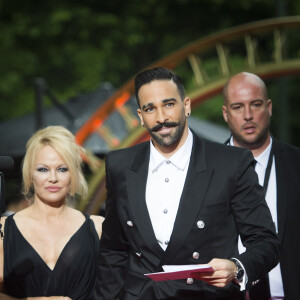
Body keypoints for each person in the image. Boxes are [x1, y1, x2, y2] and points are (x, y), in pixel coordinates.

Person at [95, 67, 279, 300]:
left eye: (169, 104)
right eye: (150, 109)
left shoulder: (230, 163)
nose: (161, 118)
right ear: (140, 117)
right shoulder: (119, 165)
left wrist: (236, 267)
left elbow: (266, 242)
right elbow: (113, 250)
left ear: (187, 106)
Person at [0, 125, 104, 300]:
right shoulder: (4, 230)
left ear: (74, 174)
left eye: (62, 169)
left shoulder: (99, 228)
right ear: (30, 175)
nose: (53, 178)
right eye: (43, 169)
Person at [222, 72, 300, 300]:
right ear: (226, 113)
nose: (248, 115)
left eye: (255, 105)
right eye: (238, 107)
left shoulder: (296, 164)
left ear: (269, 107)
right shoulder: (205, 169)